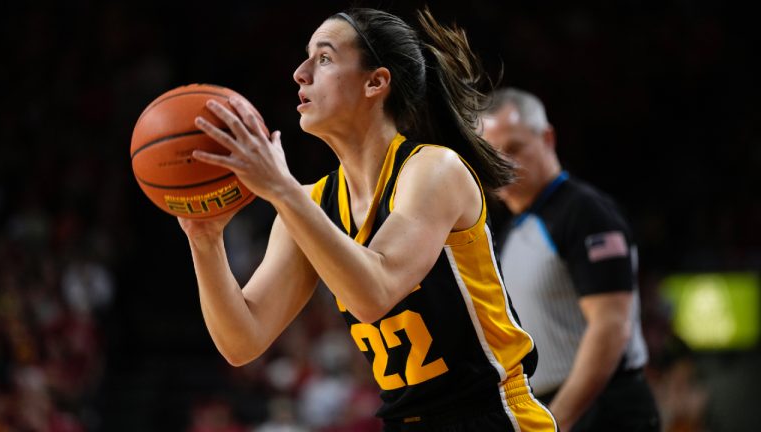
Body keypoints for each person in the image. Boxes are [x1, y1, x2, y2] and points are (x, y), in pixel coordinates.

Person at [179, 8, 557, 432]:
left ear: (375, 82)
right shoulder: (311, 204)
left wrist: (281, 189)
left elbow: (374, 293)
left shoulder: (434, 170)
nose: (300, 73)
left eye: (323, 58)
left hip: (491, 416)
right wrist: (205, 241)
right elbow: (241, 340)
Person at [481, 88, 660, 431]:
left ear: (547, 138)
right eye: (491, 154)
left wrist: (556, 421)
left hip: (602, 410)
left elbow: (611, 326)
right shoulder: (511, 230)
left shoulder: (585, 213)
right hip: (554, 406)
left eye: (515, 148)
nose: (504, 165)